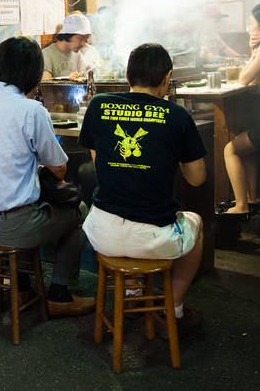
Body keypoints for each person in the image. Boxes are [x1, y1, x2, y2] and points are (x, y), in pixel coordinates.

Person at [0, 37, 96, 315]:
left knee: (19, 202)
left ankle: (21, 288)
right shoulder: (31, 110)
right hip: (10, 226)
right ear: (33, 73)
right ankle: (59, 293)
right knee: (78, 211)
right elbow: (59, 168)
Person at [79, 43, 206, 331]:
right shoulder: (177, 116)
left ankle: (133, 291)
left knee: (123, 209)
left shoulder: (99, 105)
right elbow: (197, 179)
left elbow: (99, 164)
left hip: (102, 231)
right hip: (153, 237)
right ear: (167, 78)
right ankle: (173, 307)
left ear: (127, 76)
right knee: (196, 225)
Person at [221, 2, 260, 215]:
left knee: (231, 149)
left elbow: (245, 78)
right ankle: (252, 198)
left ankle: (240, 206)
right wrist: (255, 51)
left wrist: (256, 51)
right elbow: (259, 78)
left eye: (251, 23)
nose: (248, 28)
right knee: (245, 140)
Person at [42, 12, 92, 79]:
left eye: (86, 39)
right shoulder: (46, 54)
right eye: (81, 38)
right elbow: (46, 84)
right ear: (68, 35)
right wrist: (67, 79)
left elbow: (84, 78)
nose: (83, 44)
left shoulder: (78, 55)